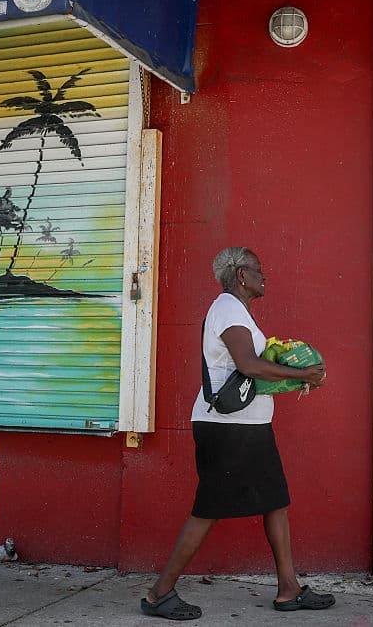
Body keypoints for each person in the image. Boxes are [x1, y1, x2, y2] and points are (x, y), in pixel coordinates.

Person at [141, 247, 334, 621]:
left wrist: (293, 374)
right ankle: (158, 594)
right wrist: (301, 376)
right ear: (242, 276)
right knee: (208, 509)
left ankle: (288, 589)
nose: (265, 276)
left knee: (275, 501)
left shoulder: (237, 311)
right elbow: (247, 364)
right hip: (228, 431)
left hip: (250, 428)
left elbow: (249, 370)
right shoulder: (227, 308)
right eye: (259, 270)